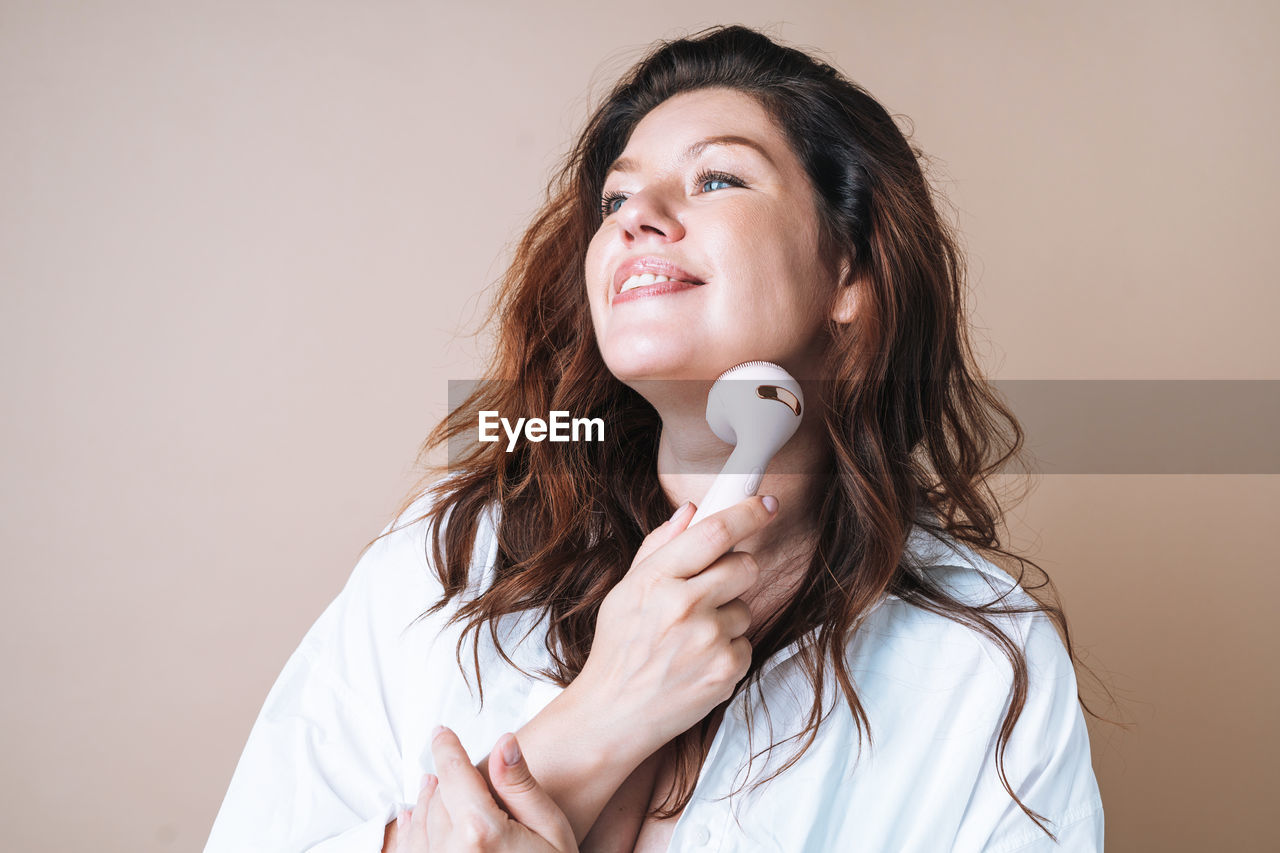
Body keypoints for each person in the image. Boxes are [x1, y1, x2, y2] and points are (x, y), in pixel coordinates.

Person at [205, 25, 1106, 853]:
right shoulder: (443, 561)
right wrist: (601, 716)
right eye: (616, 195)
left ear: (851, 275)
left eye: (717, 178)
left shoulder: (981, 669)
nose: (635, 215)